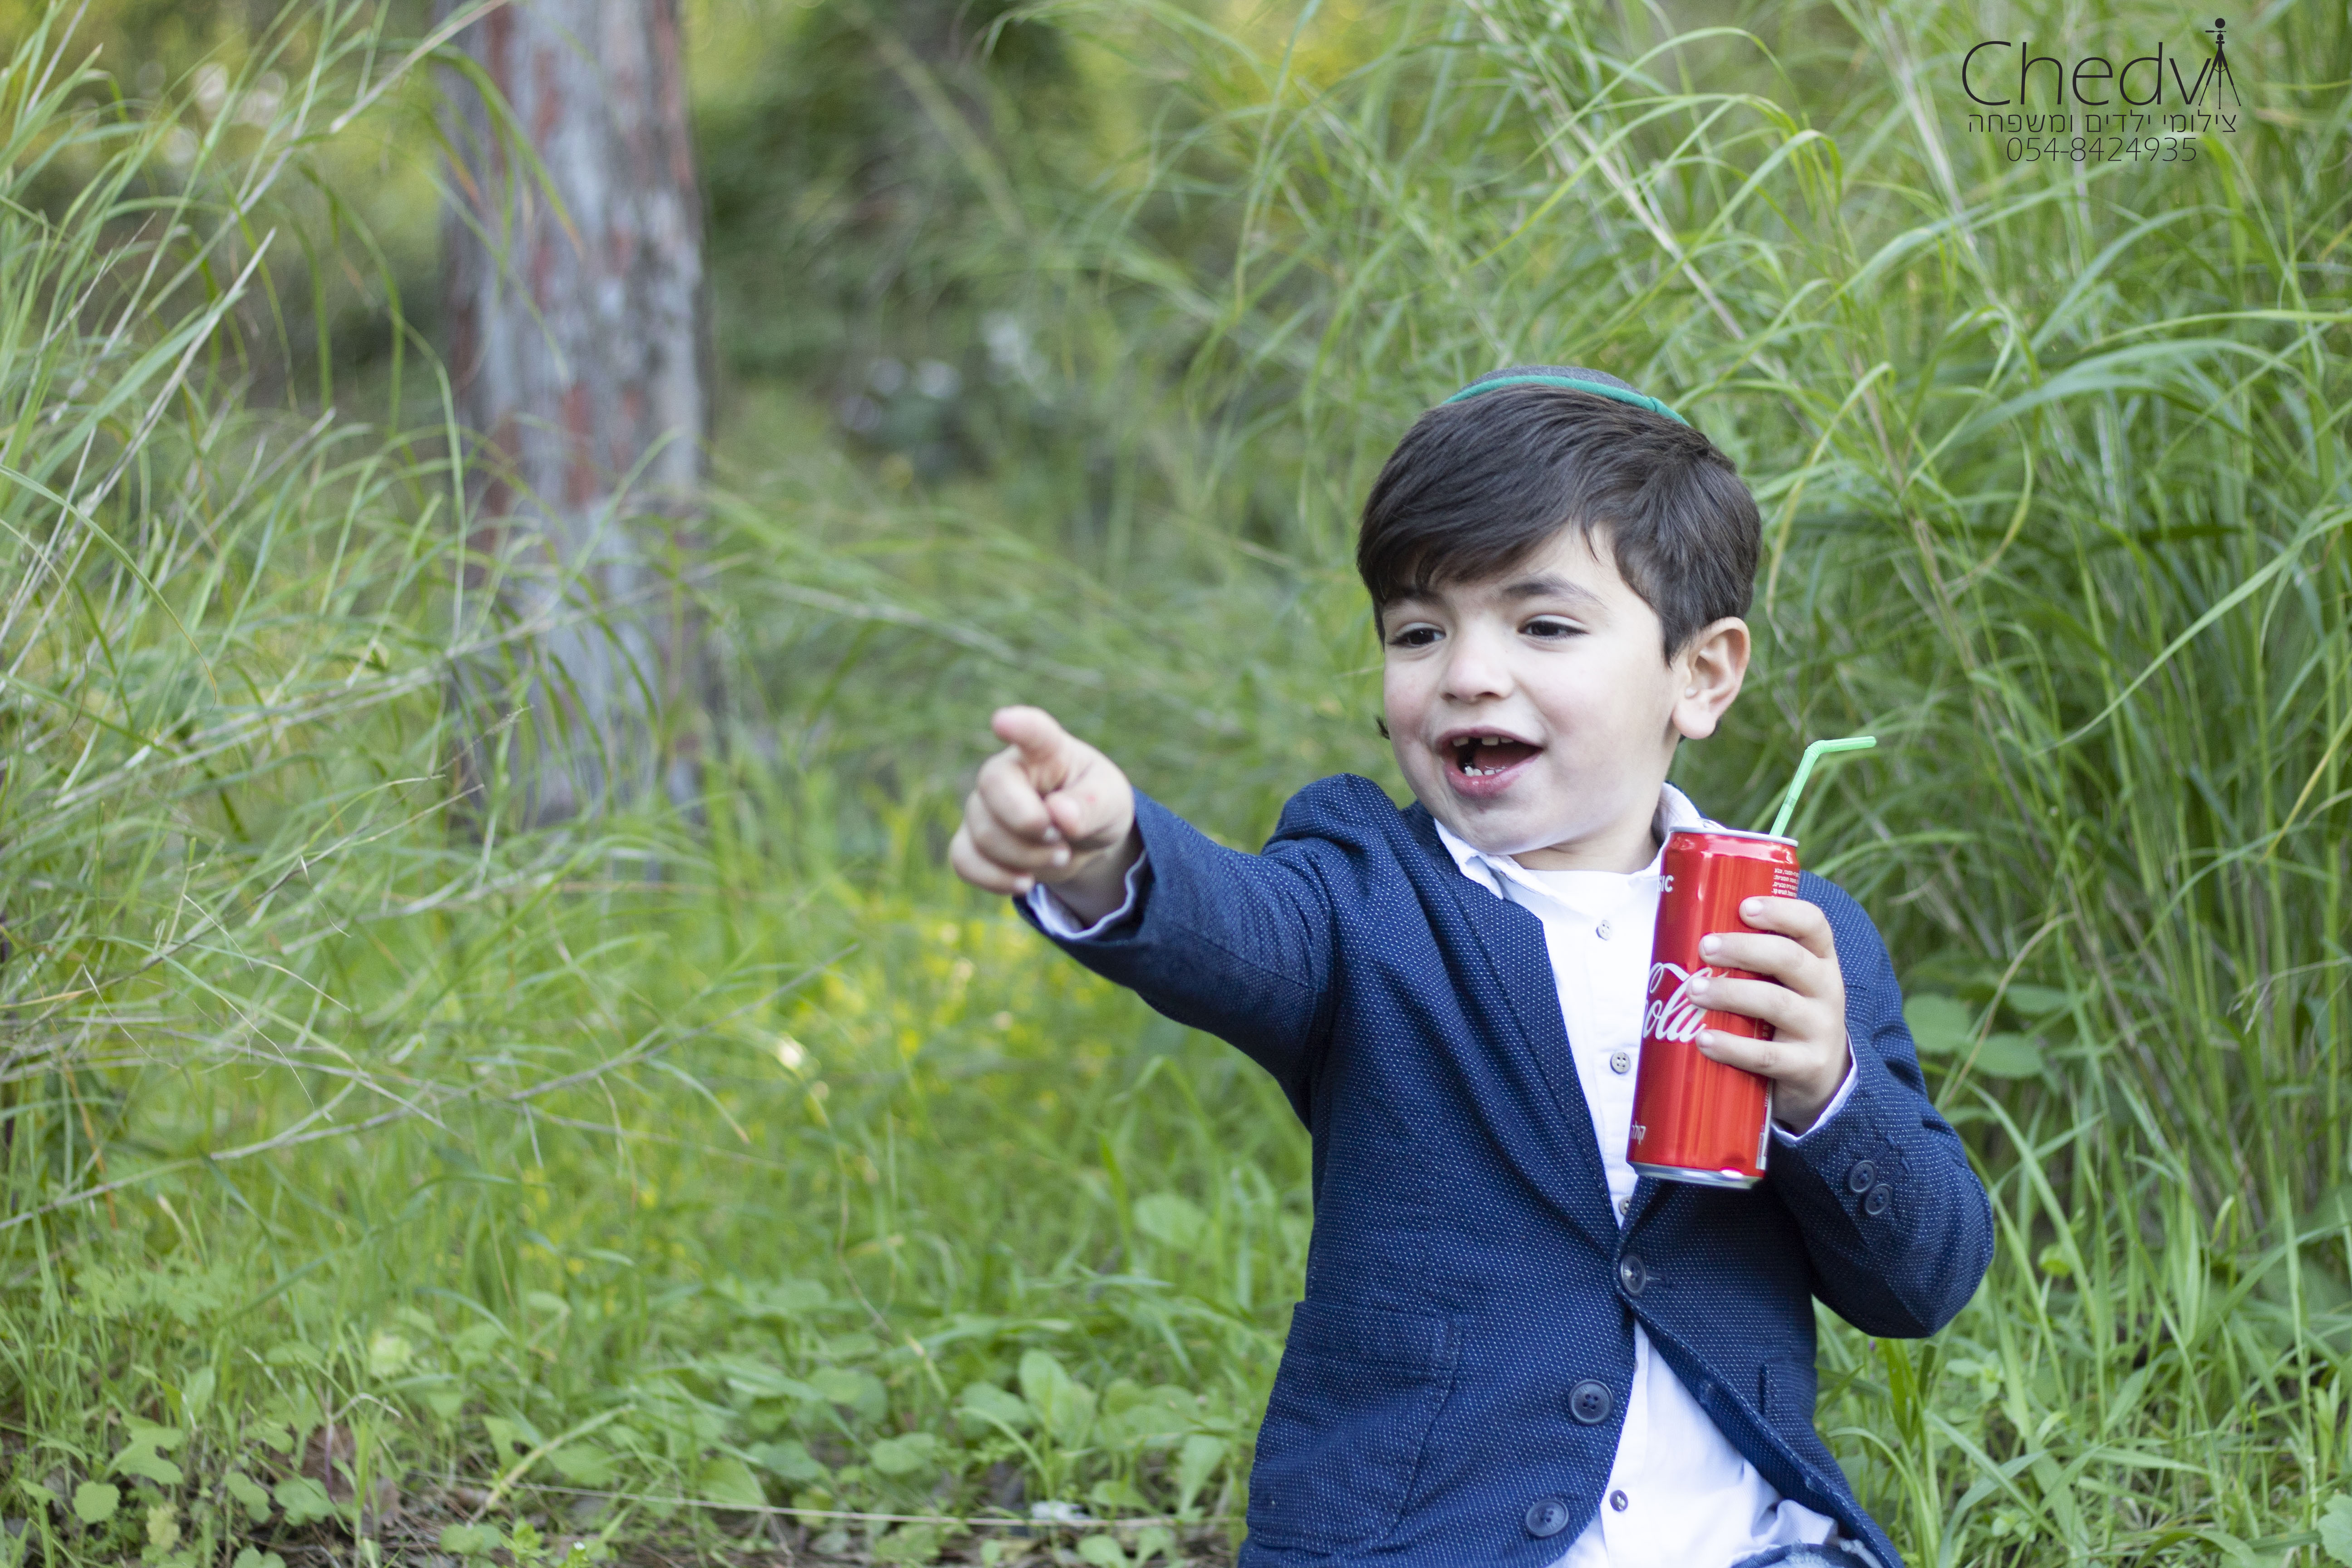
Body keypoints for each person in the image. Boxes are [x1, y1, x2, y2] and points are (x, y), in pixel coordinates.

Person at [948, 366, 1994, 1568]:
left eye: (1543, 624)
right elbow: (1235, 927)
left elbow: (1923, 1280)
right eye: (1419, 631)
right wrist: (1106, 850)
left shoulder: (1796, 939)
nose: (1467, 674)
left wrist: (1827, 1094)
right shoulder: (1363, 893)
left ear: (1701, 675)